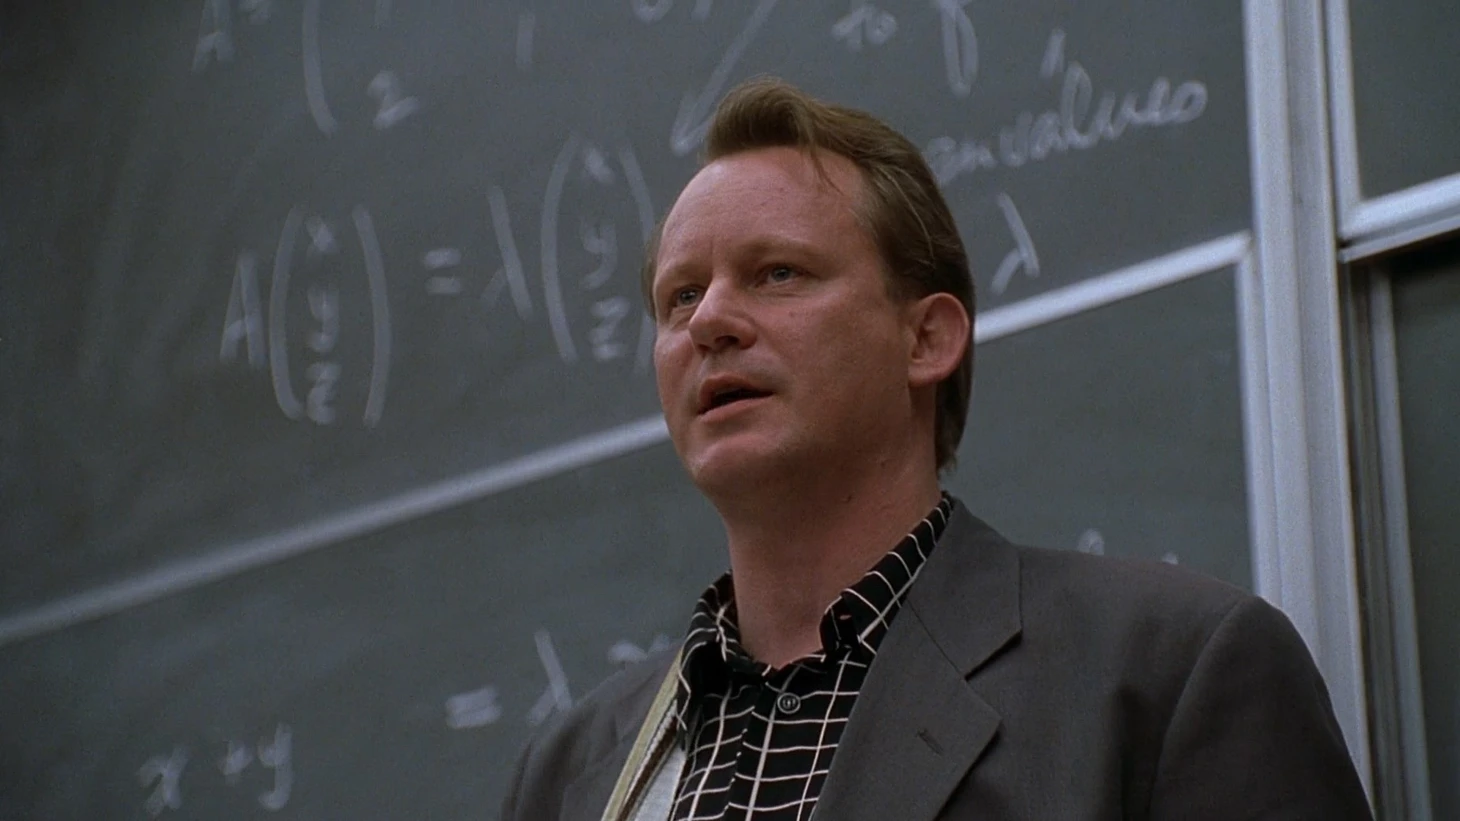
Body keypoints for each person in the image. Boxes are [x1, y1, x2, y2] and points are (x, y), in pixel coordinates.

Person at [501, 77, 1374, 821]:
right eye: (681, 296)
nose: (712, 322)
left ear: (926, 339)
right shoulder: (568, 772)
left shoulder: (1169, 673)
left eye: (778, 273)